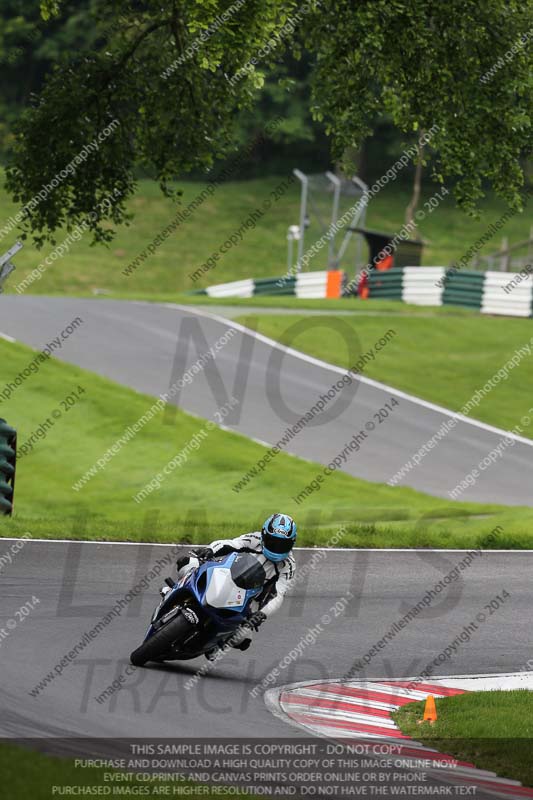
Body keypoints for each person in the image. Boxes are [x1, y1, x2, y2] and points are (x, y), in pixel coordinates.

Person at [165, 513, 297, 660]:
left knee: (244, 638)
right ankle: (174, 590)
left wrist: (262, 614)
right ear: (264, 535)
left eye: (282, 545)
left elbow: (278, 594)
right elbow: (230, 543)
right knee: (187, 562)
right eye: (273, 542)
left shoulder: (288, 566)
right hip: (225, 575)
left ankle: (217, 646)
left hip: (248, 598)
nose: (277, 548)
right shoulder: (254, 539)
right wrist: (210, 550)